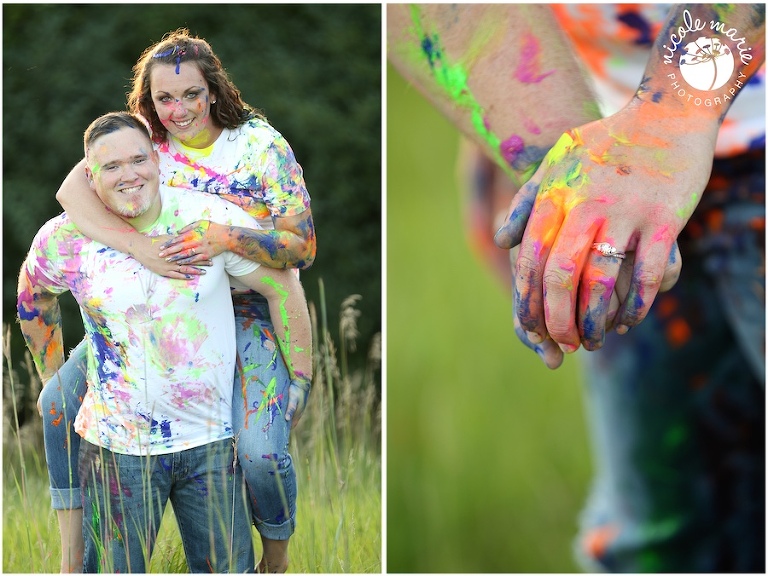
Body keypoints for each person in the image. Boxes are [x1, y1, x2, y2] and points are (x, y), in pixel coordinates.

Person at [389, 3, 764, 572]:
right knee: (660, 538)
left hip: (668, 137)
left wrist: (668, 117)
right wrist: (540, 143)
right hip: (611, 158)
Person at [42, 29, 315, 573]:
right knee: (56, 403)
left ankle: (276, 558)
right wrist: (136, 246)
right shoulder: (145, 139)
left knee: (261, 451)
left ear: (212, 90)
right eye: (165, 98)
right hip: (171, 309)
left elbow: (301, 248)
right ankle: (73, 558)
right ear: (150, 101)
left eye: (191, 94)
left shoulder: (259, 145)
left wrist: (225, 238)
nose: (180, 109)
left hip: (252, 306)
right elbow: (72, 193)